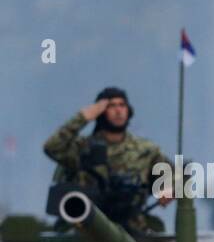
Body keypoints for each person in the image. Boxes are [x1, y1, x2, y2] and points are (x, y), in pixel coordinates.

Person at [43, 87, 172, 231]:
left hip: (133, 229)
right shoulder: (83, 148)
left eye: (122, 105)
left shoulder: (145, 151)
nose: (118, 111)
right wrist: (83, 117)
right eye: (111, 106)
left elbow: (176, 177)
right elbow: (52, 147)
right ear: (100, 112)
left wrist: (169, 187)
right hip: (86, 228)